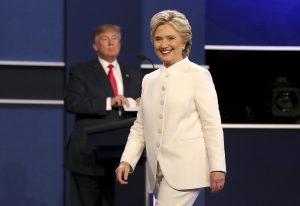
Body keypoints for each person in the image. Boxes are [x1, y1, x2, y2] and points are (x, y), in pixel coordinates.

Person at [115, 10, 226, 206]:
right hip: (157, 171)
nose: (164, 44)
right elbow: (140, 127)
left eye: (170, 38)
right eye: (158, 39)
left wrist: (218, 167)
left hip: (187, 168)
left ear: (184, 41)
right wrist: (127, 161)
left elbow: (212, 124)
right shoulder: (149, 80)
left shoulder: (198, 75)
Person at [64, 24, 141, 206]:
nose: (111, 43)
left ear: (120, 44)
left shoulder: (133, 73)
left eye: (115, 38)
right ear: (95, 45)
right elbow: (72, 102)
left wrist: (141, 102)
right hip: (88, 156)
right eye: (105, 39)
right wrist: (109, 102)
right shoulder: (81, 72)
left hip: (120, 156)